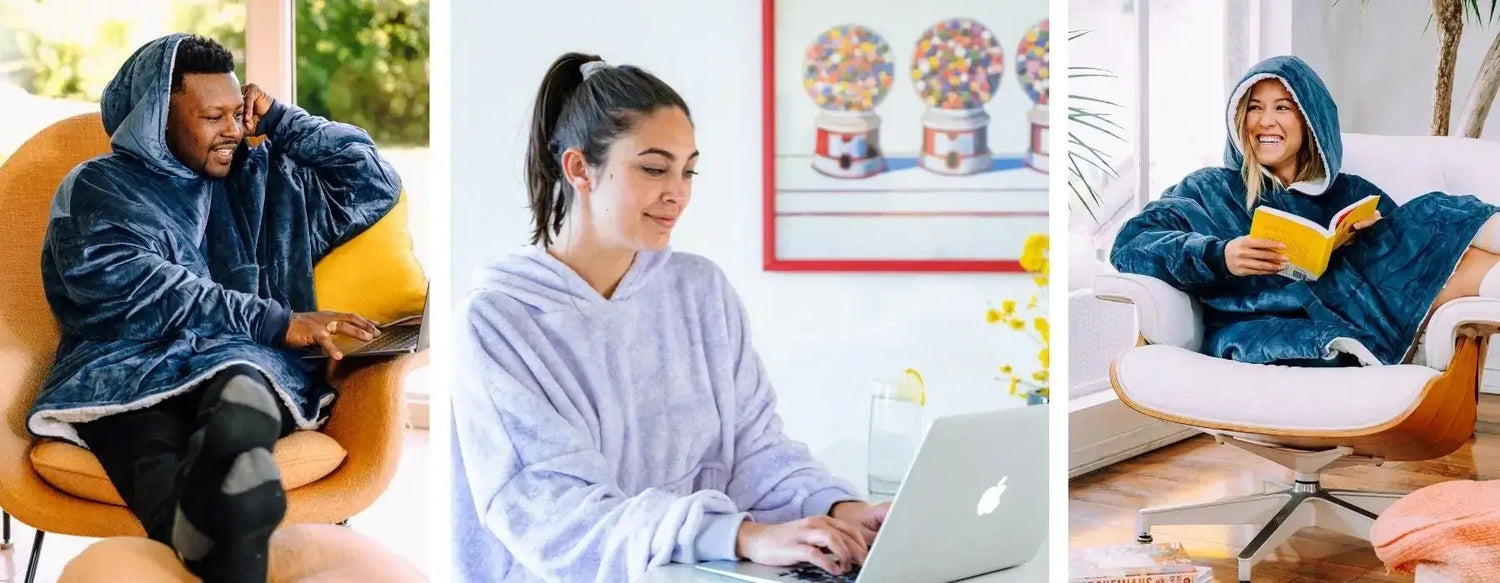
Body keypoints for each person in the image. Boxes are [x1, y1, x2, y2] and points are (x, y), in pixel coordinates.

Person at [450, 52, 890, 582]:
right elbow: (551, 510)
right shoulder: (500, 319)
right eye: (654, 168)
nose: (678, 192)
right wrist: (738, 535)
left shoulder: (700, 292)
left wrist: (842, 511)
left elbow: (755, 450)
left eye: (688, 170)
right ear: (578, 168)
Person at [28, 34, 400, 582]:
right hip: (123, 368)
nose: (232, 129)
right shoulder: (99, 188)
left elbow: (373, 183)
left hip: (237, 358)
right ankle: (225, 524)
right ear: (156, 120)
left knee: (240, 380)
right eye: (211, 117)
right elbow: (143, 286)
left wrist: (282, 120)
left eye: (237, 112)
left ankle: (213, 502)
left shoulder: (265, 181)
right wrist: (275, 322)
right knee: (142, 430)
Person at [1111, 55, 1500, 367]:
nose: (1266, 121)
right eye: (1254, 108)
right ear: (1239, 118)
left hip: (1360, 309)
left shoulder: (1350, 191)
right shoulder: (1209, 189)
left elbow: (1425, 260)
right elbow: (1130, 245)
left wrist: (1380, 232)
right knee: (1431, 223)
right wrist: (1221, 255)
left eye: (1283, 107)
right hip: (1273, 323)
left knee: (1427, 218)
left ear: (1309, 121)